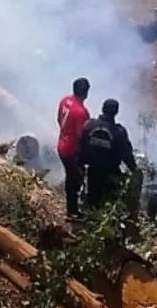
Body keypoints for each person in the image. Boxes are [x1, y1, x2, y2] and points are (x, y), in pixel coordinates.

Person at [79, 98, 139, 210]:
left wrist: (81, 164)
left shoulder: (89, 125)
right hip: (111, 174)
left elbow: (81, 145)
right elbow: (126, 154)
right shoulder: (119, 132)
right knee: (110, 205)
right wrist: (134, 169)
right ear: (116, 112)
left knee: (92, 203)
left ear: (102, 109)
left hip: (92, 171)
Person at [57, 77, 91, 218]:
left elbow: (59, 119)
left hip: (61, 145)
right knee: (75, 179)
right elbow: (80, 135)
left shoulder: (65, 101)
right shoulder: (81, 112)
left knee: (71, 177)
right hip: (71, 150)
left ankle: (72, 208)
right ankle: (72, 211)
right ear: (85, 92)